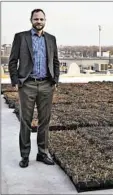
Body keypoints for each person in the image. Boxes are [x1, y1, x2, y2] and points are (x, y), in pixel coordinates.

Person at [8, 8, 60, 168]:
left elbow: (56, 61)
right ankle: (24, 156)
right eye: (36, 19)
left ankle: (42, 154)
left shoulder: (51, 39)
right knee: (26, 121)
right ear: (31, 20)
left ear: (45, 21)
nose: (39, 22)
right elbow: (12, 61)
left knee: (45, 121)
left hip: (46, 84)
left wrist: (55, 80)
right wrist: (16, 81)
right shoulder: (21, 37)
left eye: (41, 19)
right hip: (27, 84)